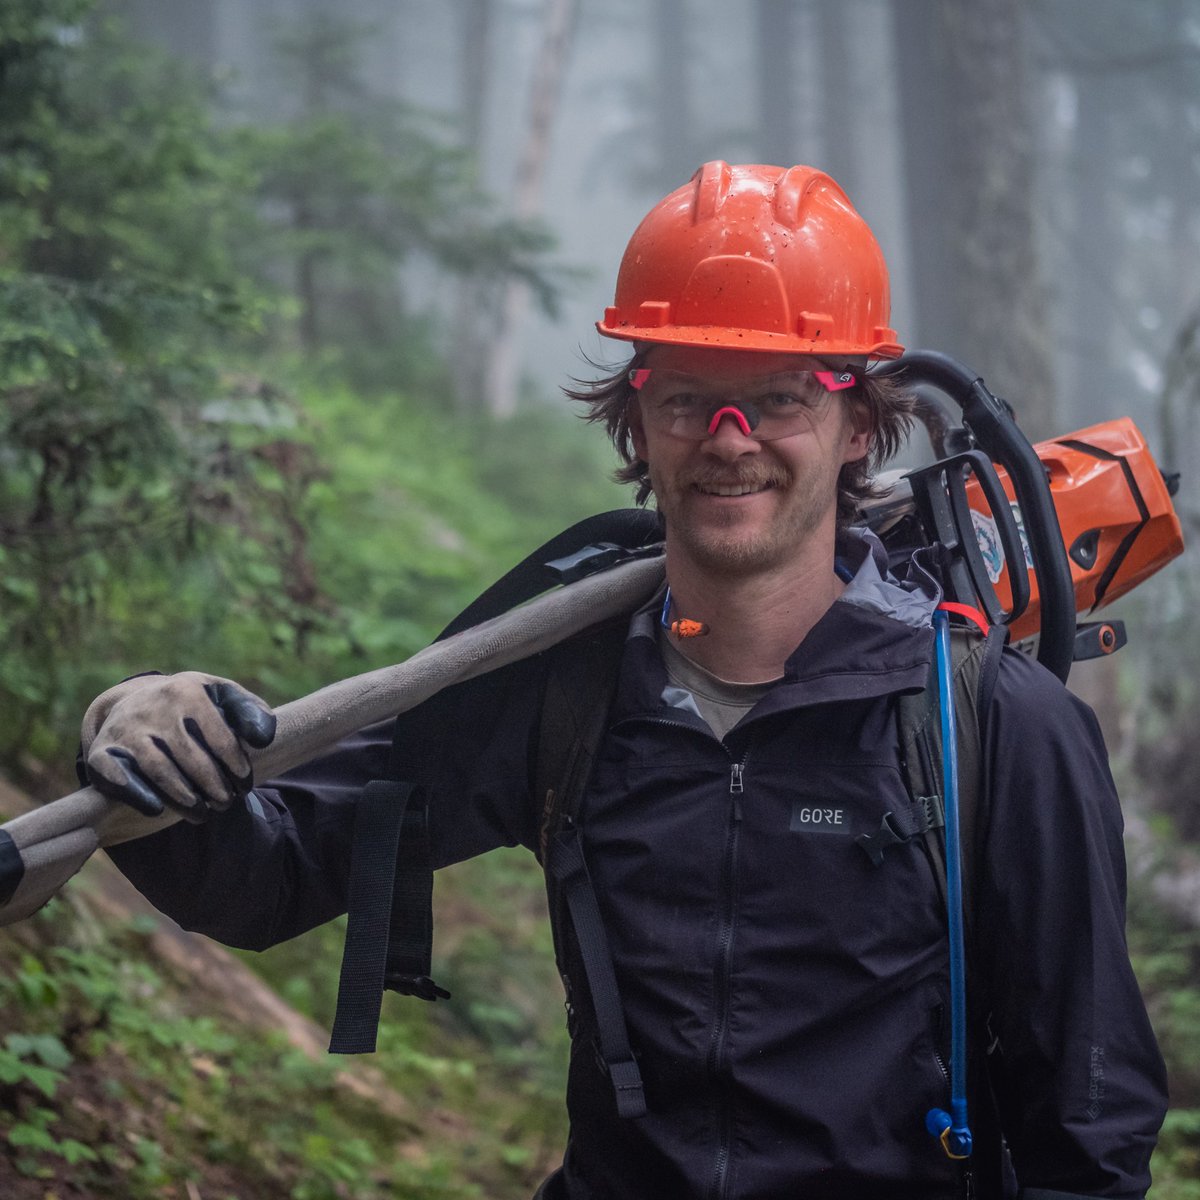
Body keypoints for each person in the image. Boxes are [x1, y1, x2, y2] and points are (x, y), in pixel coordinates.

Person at [81, 162, 1167, 1199]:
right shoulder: (562, 692)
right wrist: (146, 743)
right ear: (637, 419)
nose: (730, 440)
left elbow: (1091, 1122)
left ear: (858, 427)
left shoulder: (990, 726)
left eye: (779, 397)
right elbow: (271, 877)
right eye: (689, 397)